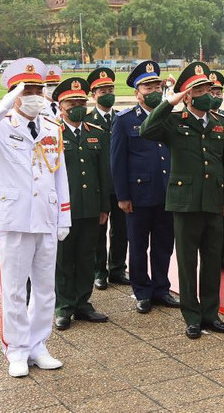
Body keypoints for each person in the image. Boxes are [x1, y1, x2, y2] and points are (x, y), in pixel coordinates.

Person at [0, 57, 68, 378]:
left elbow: (60, 175)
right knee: (14, 290)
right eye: (27, 89)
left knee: (46, 290)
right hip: (13, 220)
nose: (35, 94)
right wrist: (2, 105)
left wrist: (65, 217)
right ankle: (16, 349)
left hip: (46, 219)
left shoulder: (51, 126)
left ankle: (38, 344)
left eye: (38, 88)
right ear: (15, 93)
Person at [139, 61, 224, 339]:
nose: (208, 92)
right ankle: (192, 316)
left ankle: (211, 313)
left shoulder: (221, 123)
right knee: (186, 262)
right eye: (201, 89)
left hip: (214, 201)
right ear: (189, 94)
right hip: (185, 202)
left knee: (211, 261)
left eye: (209, 87)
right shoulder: (173, 121)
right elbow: (146, 130)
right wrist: (170, 102)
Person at [111, 60, 179, 314]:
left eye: (156, 86)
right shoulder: (125, 120)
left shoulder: (168, 117)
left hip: (166, 192)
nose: (153, 91)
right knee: (138, 246)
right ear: (136, 92)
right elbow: (117, 161)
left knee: (164, 244)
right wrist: (122, 196)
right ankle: (142, 291)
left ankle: (161, 288)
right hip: (138, 195)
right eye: (147, 87)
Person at [51, 77, 111, 330]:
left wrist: (104, 207)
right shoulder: (52, 133)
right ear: (60, 105)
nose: (77, 106)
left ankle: (83, 302)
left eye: (81, 101)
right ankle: (64, 305)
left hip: (90, 207)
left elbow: (103, 174)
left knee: (87, 256)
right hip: (64, 208)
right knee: (64, 259)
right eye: (71, 102)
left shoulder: (95, 134)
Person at [86, 67, 130, 290]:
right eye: (102, 90)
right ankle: (99, 271)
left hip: (119, 185)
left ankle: (118, 268)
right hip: (97, 187)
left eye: (110, 89)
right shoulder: (87, 120)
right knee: (98, 232)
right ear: (93, 95)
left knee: (121, 230)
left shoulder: (122, 119)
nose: (107, 94)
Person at [208, 70, 224, 270]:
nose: (215, 97)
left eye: (219, 93)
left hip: (222, 179)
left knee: (223, 225)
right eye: (212, 92)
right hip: (207, 180)